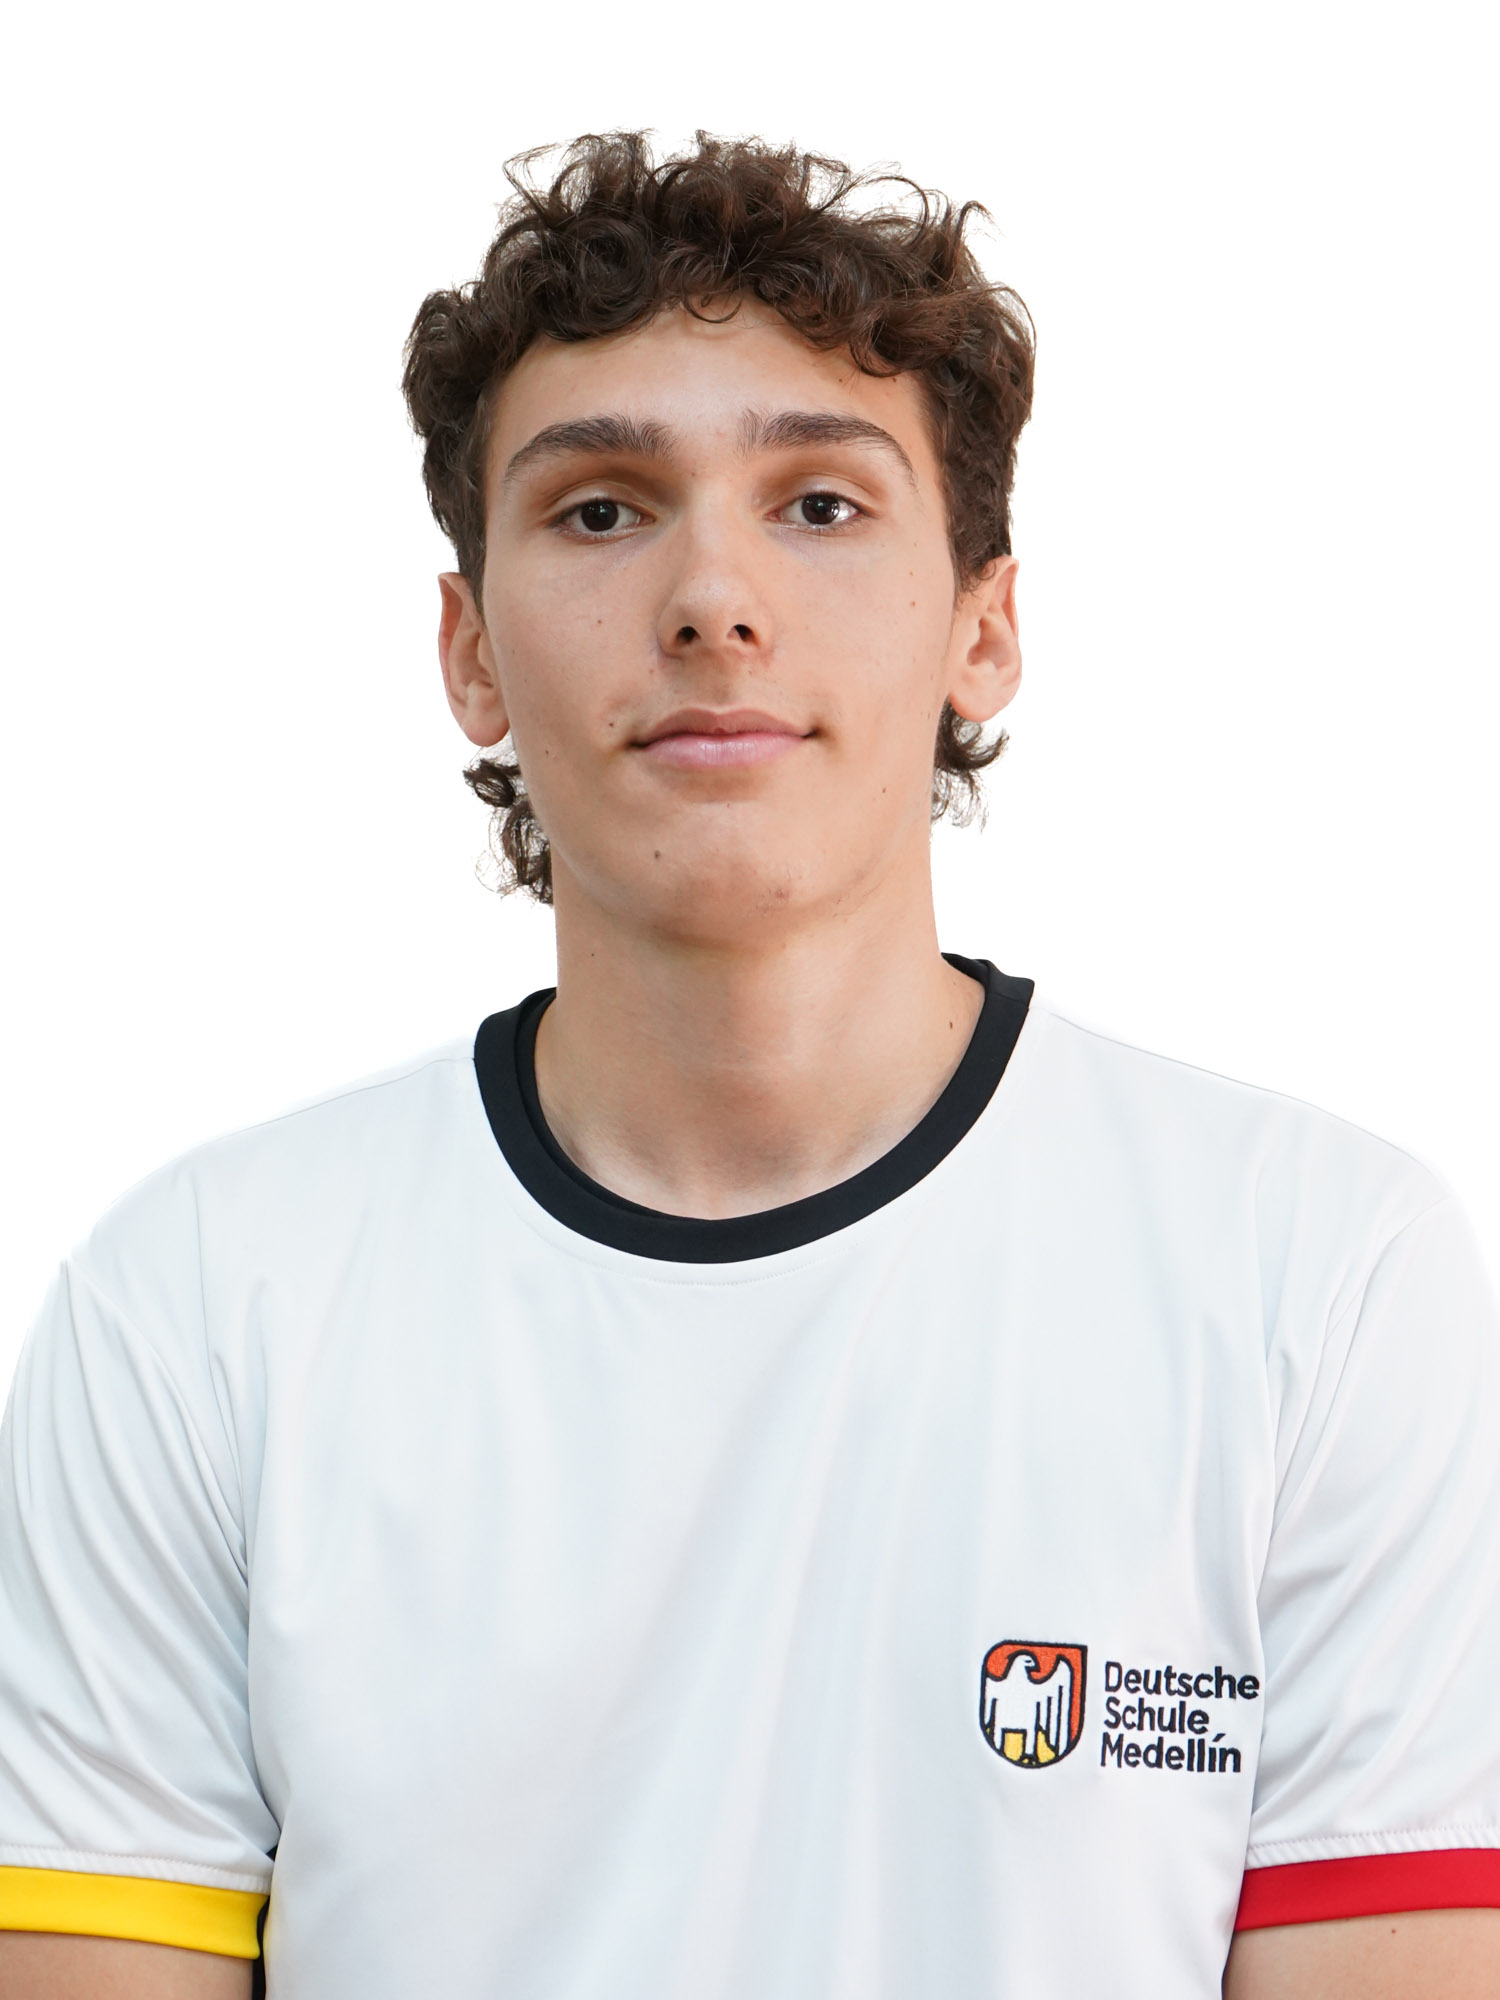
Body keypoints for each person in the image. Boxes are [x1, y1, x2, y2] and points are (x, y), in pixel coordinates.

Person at [0, 131, 1497, 2000]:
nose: (713, 598)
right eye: (600, 512)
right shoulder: (195, 1309)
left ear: (984, 630)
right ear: (470, 654)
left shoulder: (1320, 1274)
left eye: (822, 504)